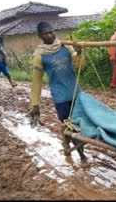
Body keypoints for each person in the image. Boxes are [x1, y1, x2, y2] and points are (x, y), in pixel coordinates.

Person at [30, 21, 87, 162]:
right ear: (39, 36)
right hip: (60, 97)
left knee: (78, 125)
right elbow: (36, 81)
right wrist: (35, 104)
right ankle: (81, 155)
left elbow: (80, 64)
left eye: (51, 31)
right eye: (45, 33)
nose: (49, 35)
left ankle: (66, 141)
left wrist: (79, 51)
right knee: (71, 126)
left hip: (75, 92)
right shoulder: (39, 56)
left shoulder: (65, 46)